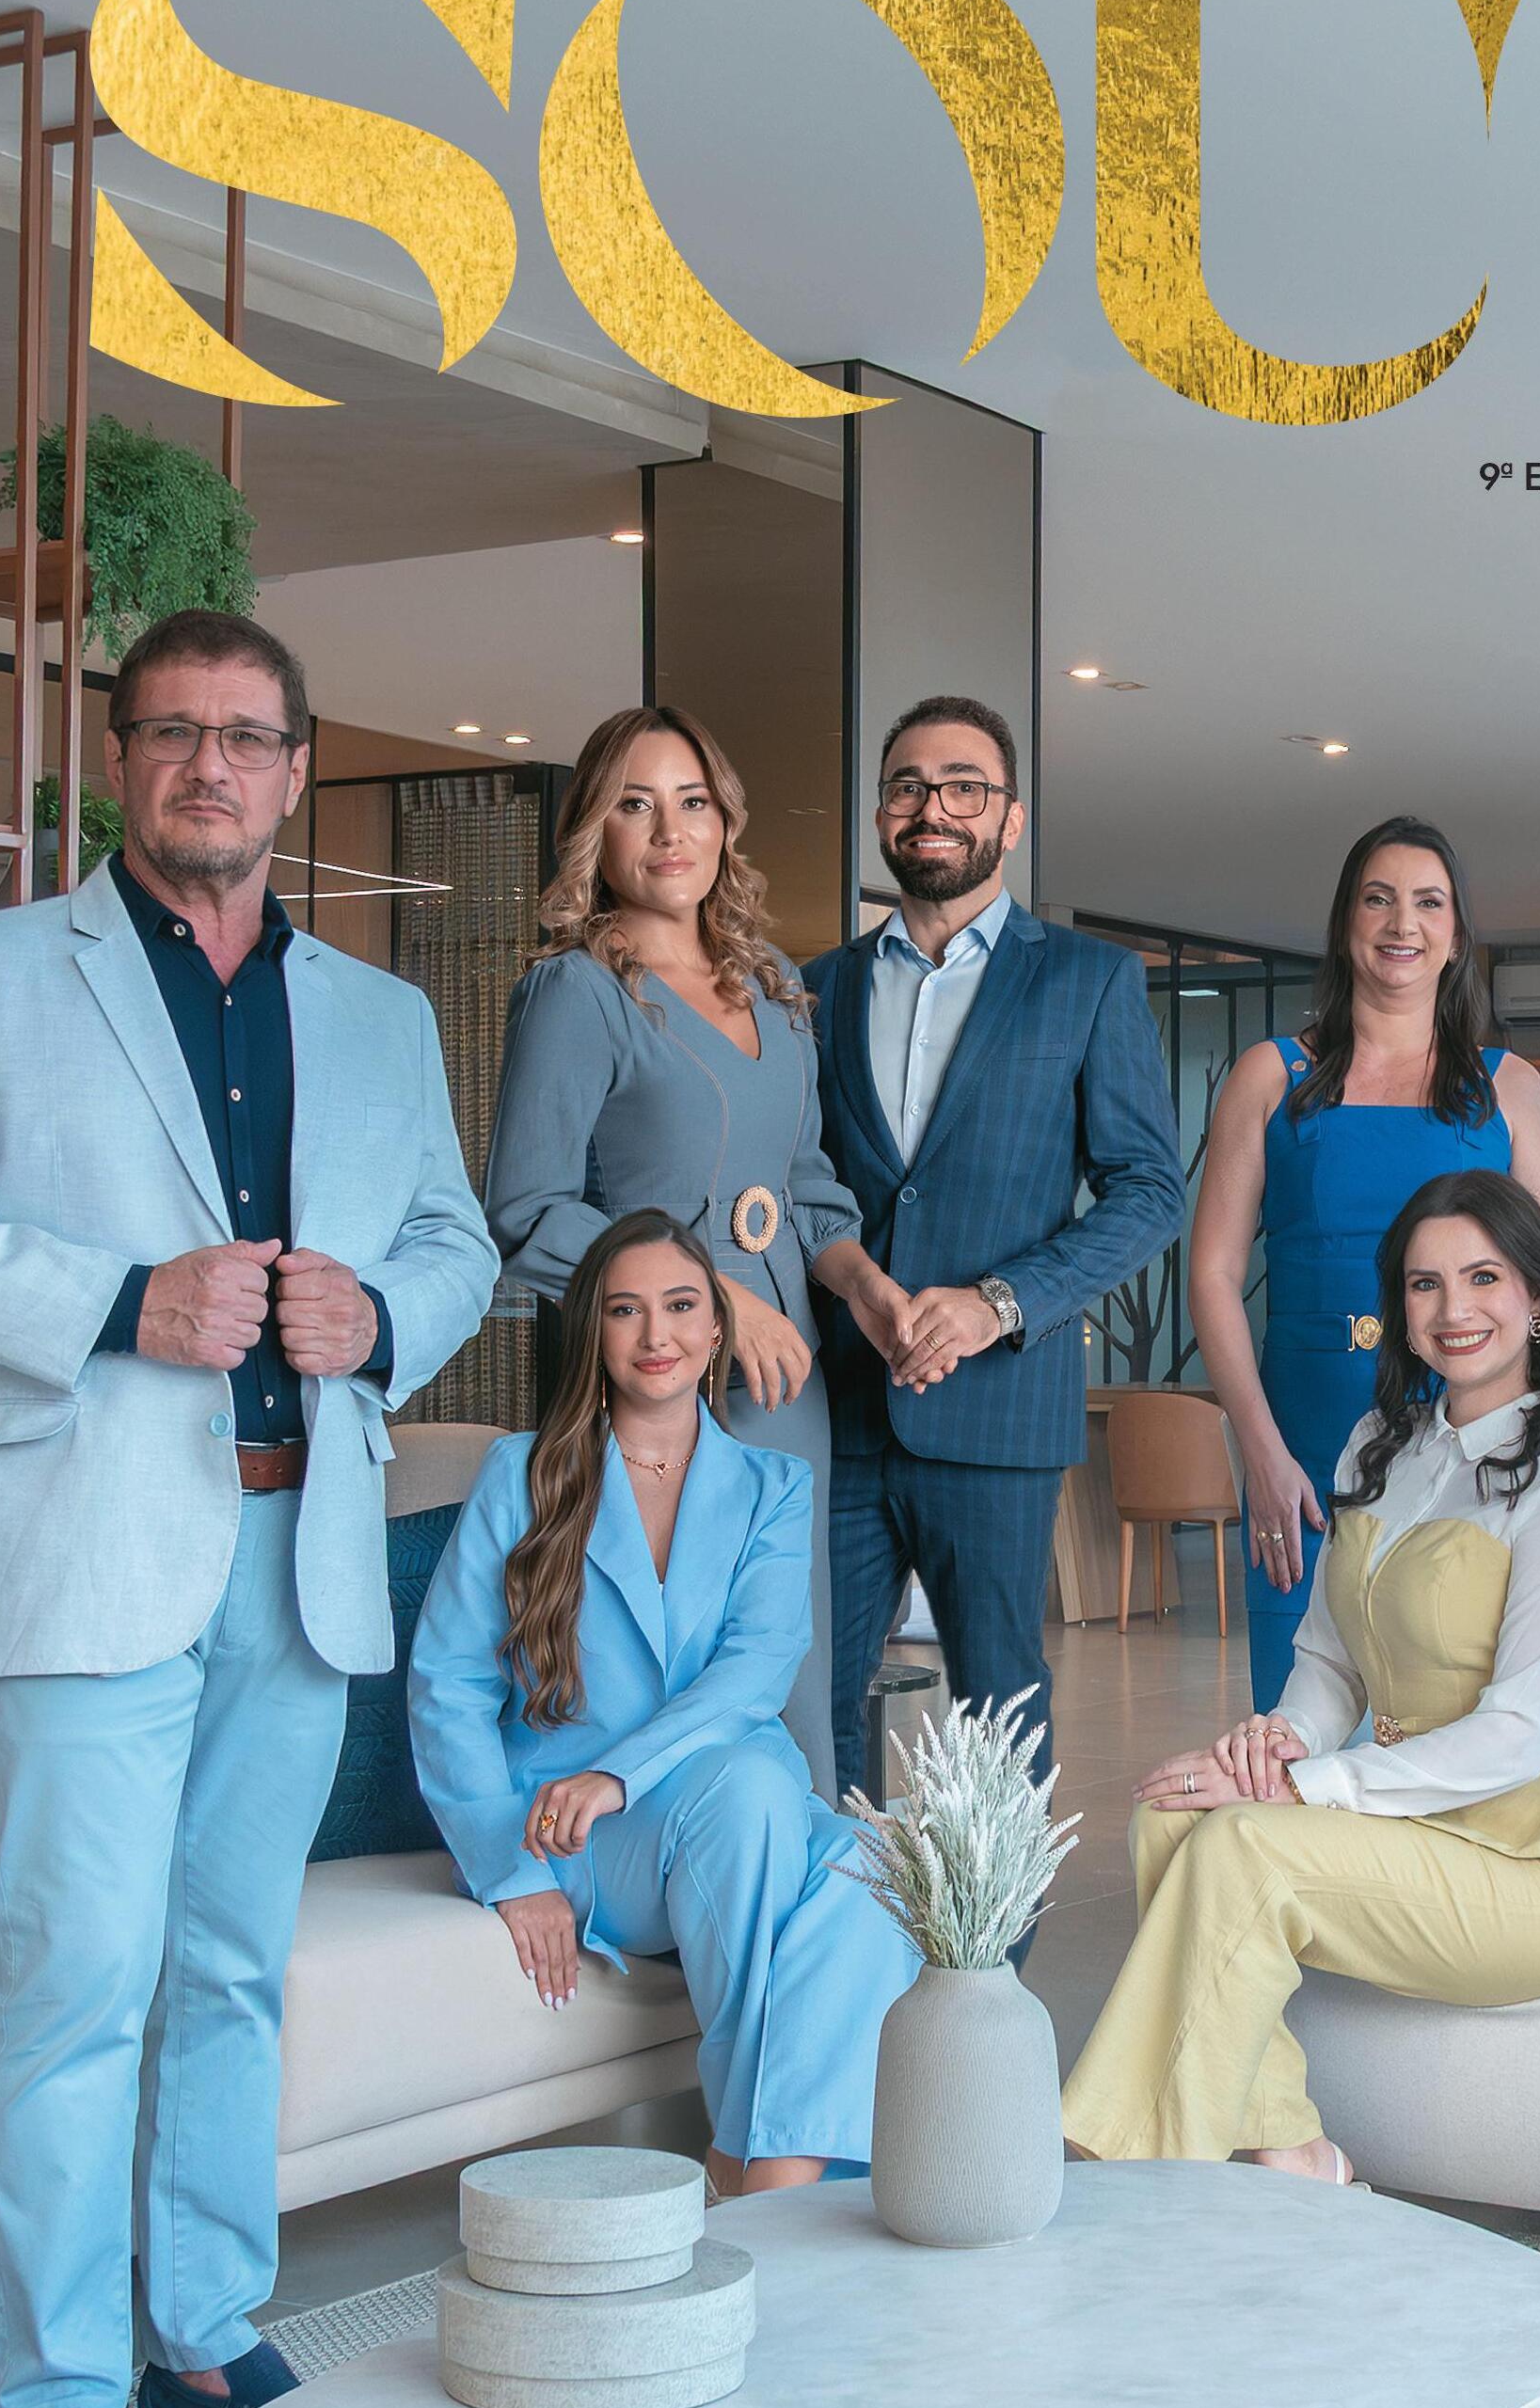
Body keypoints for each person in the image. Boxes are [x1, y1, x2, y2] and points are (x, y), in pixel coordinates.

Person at [0, 609, 497, 2408]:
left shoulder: (378, 1016)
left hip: (303, 1545)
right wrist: (124, 1299)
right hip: (86, 1544)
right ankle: (53, 2392)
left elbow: (451, 1239)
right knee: (77, 1973)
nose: (212, 764)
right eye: (175, 731)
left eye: (247, 736)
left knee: (230, 1963)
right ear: (118, 760)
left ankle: (200, 2330)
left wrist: (385, 1318)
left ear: (294, 769)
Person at [1062, 1171, 1540, 2177]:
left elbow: (1517, 1737)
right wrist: (1283, 1742)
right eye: (1426, 1284)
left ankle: (1138, 2174)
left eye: (1483, 1277)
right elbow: (1330, 1659)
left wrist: (1310, 1786)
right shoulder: (1380, 1448)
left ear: (1537, 1299)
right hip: (1424, 1825)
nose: (1454, 1308)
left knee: (1246, 1848)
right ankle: (1292, 2150)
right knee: (1171, 1815)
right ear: (1402, 1313)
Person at [407, 1210, 917, 2186]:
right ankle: (740, 2158)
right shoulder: (522, 1473)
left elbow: (759, 1667)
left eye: (682, 1306)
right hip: (583, 1834)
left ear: (718, 1327)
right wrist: (511, 1871)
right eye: (626, 1310)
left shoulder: (774, 1484)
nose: (657, 1335)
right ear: (593, 1332)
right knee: (751, 1792)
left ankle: (776, 2188)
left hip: (718, 1806)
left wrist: (622, 1771)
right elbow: (447, 1685)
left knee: (868, 1866)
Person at [482, 705, 914, 1797]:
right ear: (596, 830)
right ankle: (656, 1875)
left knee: (786, 1648)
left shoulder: (772, 983)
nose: (670, 831)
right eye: (636, 805)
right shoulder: (576, 991)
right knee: (667, 1654)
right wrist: (709, 1299)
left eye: (693, 802)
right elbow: (525, 1211)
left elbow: (805, 1184)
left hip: (785, 1378)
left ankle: (796, 1875)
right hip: (649, 1373)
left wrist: (863, 1284)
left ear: (725, 820)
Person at [806, 692, 1183, 1787]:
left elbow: (1149, 1191)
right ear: (882, 813)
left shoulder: (1086, 979)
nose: (934, 807)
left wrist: (999, 1303)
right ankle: (833, 1899)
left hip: (1000, 1411)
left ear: (1010, 818)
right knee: (811, 1698)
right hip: (837, 1405)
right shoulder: (813, 988)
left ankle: (993, 1911)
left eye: (964, 787)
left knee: (998, 1709)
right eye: (909, 786)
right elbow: (798, 1178)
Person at [1190, 817, 1540, 1708]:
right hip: (1302, 1443)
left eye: (1428, 903)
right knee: (1297, 1713)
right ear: (1345, 923)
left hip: (1478, 1437)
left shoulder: (1507, 1086)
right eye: (1379, 899)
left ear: (1456, 936)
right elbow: (1211, 1276)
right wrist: (1260, 1454)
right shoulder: (1268, 1076)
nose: (1403, 923)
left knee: (1455, 1701)